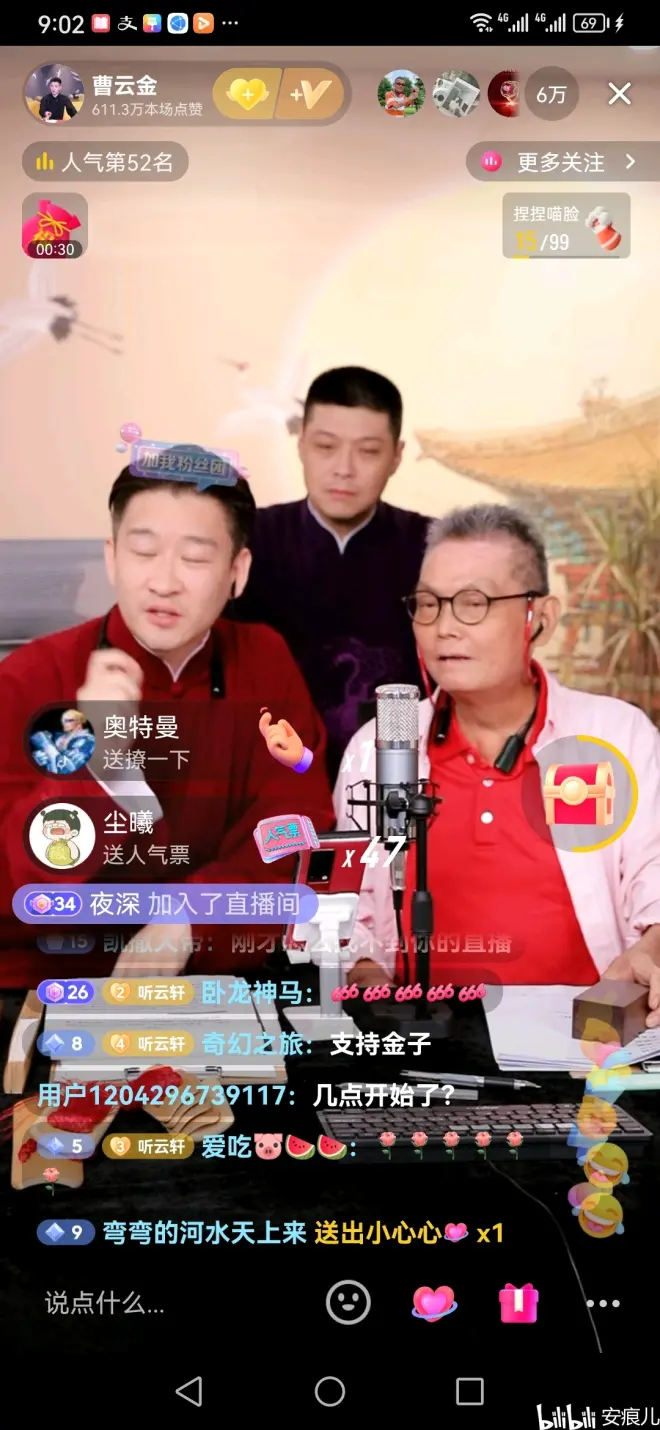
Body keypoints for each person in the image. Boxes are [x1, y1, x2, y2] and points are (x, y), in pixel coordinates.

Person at [0, 453, 334, 987]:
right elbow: (12, 884)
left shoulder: (265, 661)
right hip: (47, 983)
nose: (164, 582)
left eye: (195, 558)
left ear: (238, 572)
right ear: (112, 558)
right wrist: (94, 762)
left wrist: (194, 913)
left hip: (216, 980)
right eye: (143, 551)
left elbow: (295, 832)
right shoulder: (29, 676)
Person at [333, 504, 660, 1017]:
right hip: (427, 1043)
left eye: (473, 603)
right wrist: (368, 980)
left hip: (586, 1039)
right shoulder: (380, 748)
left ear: (540, 618)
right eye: (428, 604)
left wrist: (650, 953)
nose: (444, 627)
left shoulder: (615, 737)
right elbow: (351, 918)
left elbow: (655, 886)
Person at [231, 366, 430, 781]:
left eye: (368, 451)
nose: (344, 468)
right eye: (326, 446)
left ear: (396, 456)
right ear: (301, 444)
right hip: (265, 774)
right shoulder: (244, 539)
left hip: (396, 777)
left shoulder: (435, 549)